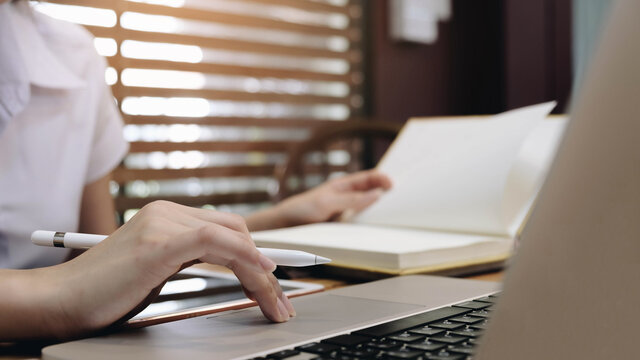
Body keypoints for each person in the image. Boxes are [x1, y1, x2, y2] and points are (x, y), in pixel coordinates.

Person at [0, 0, 392, 340]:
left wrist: (280, 219)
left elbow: (103, 256)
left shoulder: (74, 55)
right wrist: (58, 298)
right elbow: (82, 282)